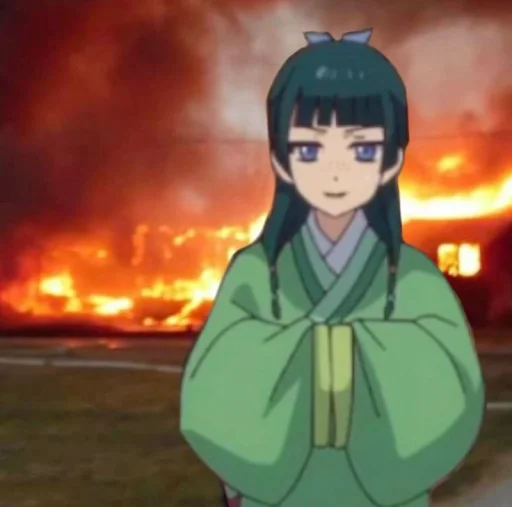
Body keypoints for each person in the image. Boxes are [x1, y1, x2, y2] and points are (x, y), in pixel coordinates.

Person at [180, 28, 485, 507]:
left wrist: (318, 352)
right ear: (281, 160)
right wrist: (345, 353)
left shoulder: (412, 278)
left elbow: (452, 390)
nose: (336, 171)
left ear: (392, 160)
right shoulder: (256, 273)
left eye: (362, 149)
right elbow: (215, 385)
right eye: (310, 149)